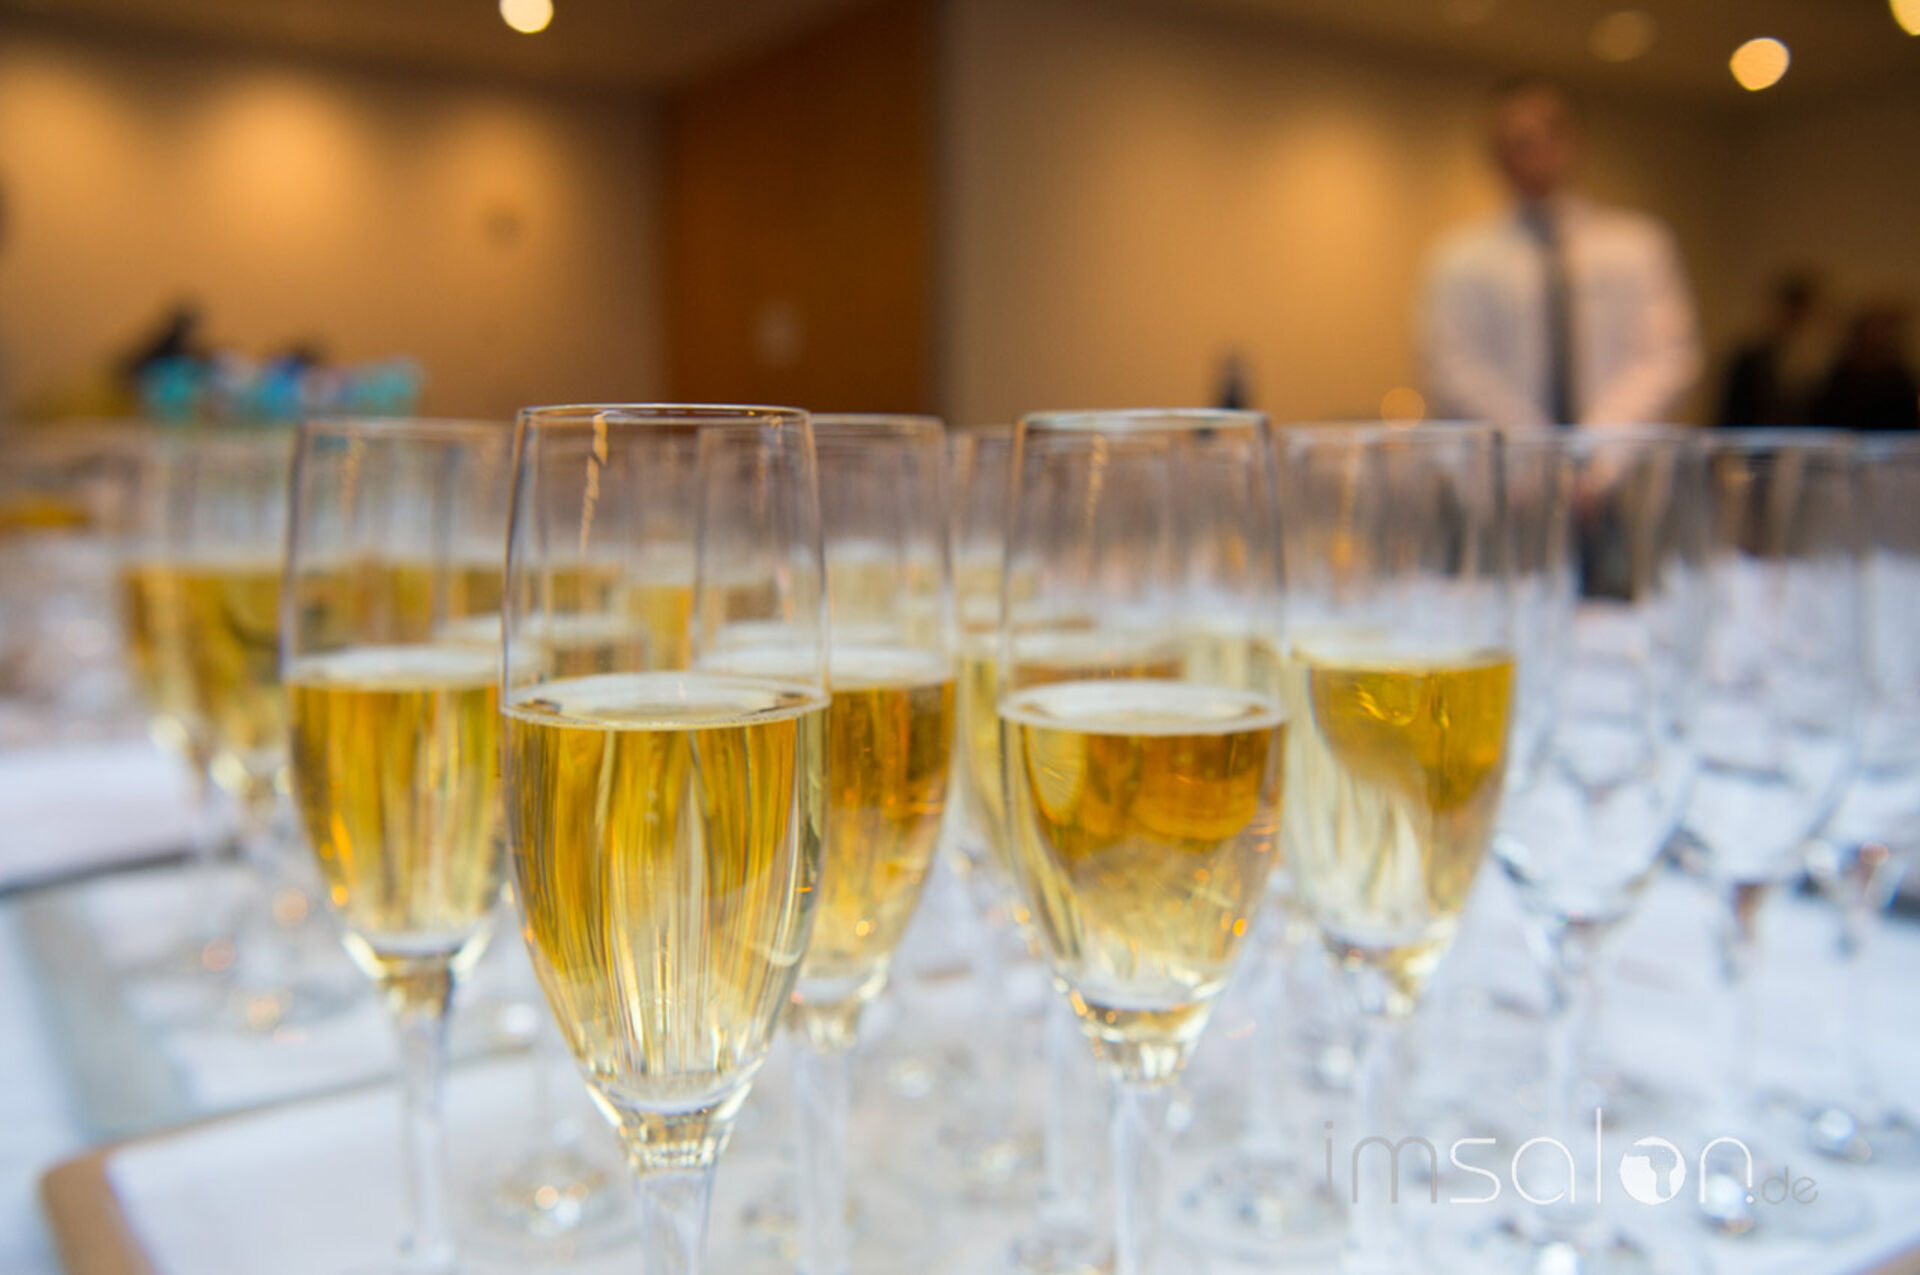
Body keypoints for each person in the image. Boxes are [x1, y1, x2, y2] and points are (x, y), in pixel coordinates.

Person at [1420, 77, 1702, 428]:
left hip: (1622, 452)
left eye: (1550, 131)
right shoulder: (1458, 259)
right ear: (1495, 152)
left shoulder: (1640, 245)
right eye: (1519, 140)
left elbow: (1669, 358)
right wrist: (1535, 447)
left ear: (1576, 139)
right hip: (1509, 456)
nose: (1536, 148)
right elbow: (1454, 370)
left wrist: (1599, 444)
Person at [1716, 271, 1822, 427]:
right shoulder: (1749, 361)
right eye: (1791, 313)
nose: (1794, 322)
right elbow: (1731, 415)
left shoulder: (1809, 366)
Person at [1811, 301, 1920, 432]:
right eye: (1869, 335)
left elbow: (1907, 423)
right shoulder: (1842, 378)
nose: (1874, 341)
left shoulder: (1899, 380)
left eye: (1879, 335)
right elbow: (1825, 418)